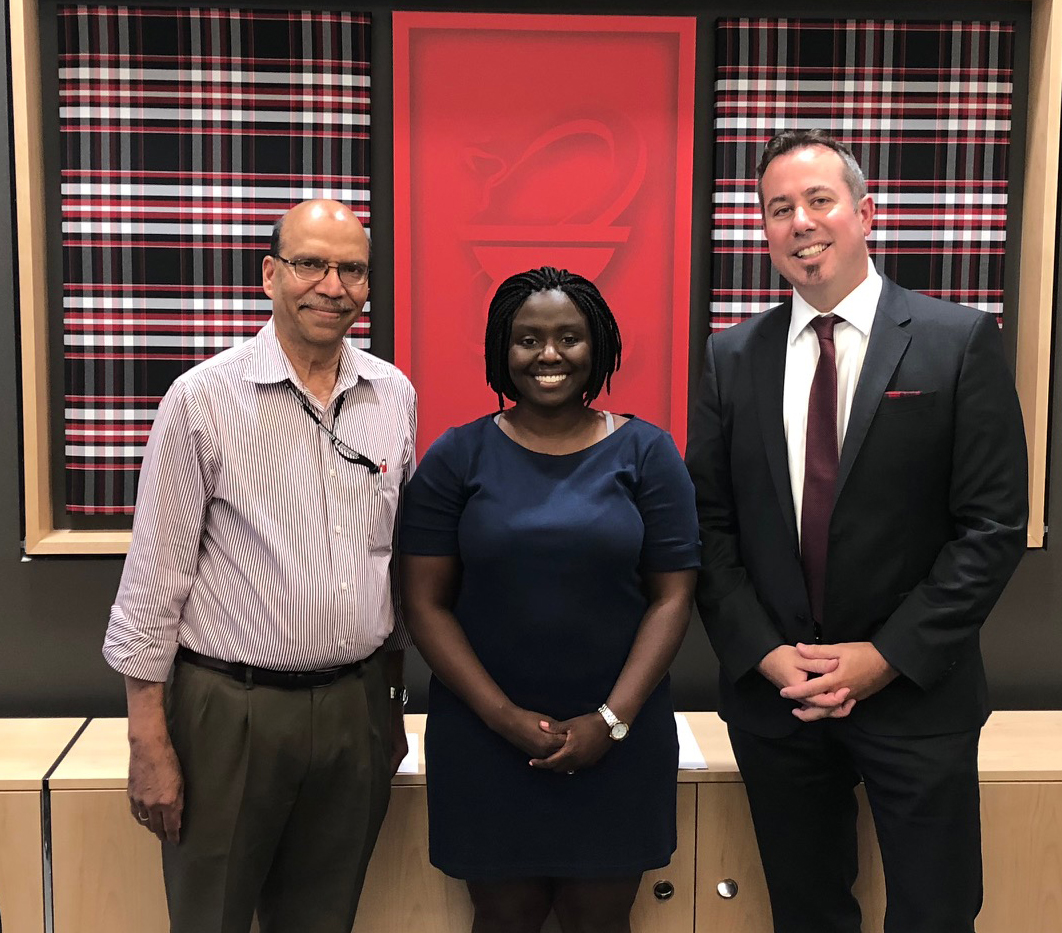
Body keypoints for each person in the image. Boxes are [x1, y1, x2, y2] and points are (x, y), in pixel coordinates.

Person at [686, 130, 1028, 933]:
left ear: (864, 213)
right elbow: (708, 524)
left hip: (916, 693)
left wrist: (884, 658)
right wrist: (766, 654)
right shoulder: (731, 357)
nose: (800, 221)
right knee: (807, 915)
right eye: (779, 208)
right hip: (782, 698)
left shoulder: (958, 341)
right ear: (763, 230)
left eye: (818, 200)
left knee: (936, 913)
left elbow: (992, 526)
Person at [102, 199, 416, 933]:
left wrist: (390, 706)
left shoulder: (392, 395)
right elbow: (155, 578)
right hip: (230, 714)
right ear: (270, 274)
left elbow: (390, 556)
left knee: (324, 919)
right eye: (311, 263)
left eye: (351, 270)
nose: (331, 285)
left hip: (356, 705)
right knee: (211, 918)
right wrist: (146, 739)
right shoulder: (202, 399)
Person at [400, 266, 699, 933]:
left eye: (570, 336)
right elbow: (424, 603)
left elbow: (673, 598)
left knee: (602, 918)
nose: (549, 354)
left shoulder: (649, 453)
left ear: (599, 346)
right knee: (503, 917)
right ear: (501, 351)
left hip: (619, 743)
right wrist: (505, 717)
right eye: (528, 338)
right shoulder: (457, 456)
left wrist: (611, 720)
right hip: (486, 740)